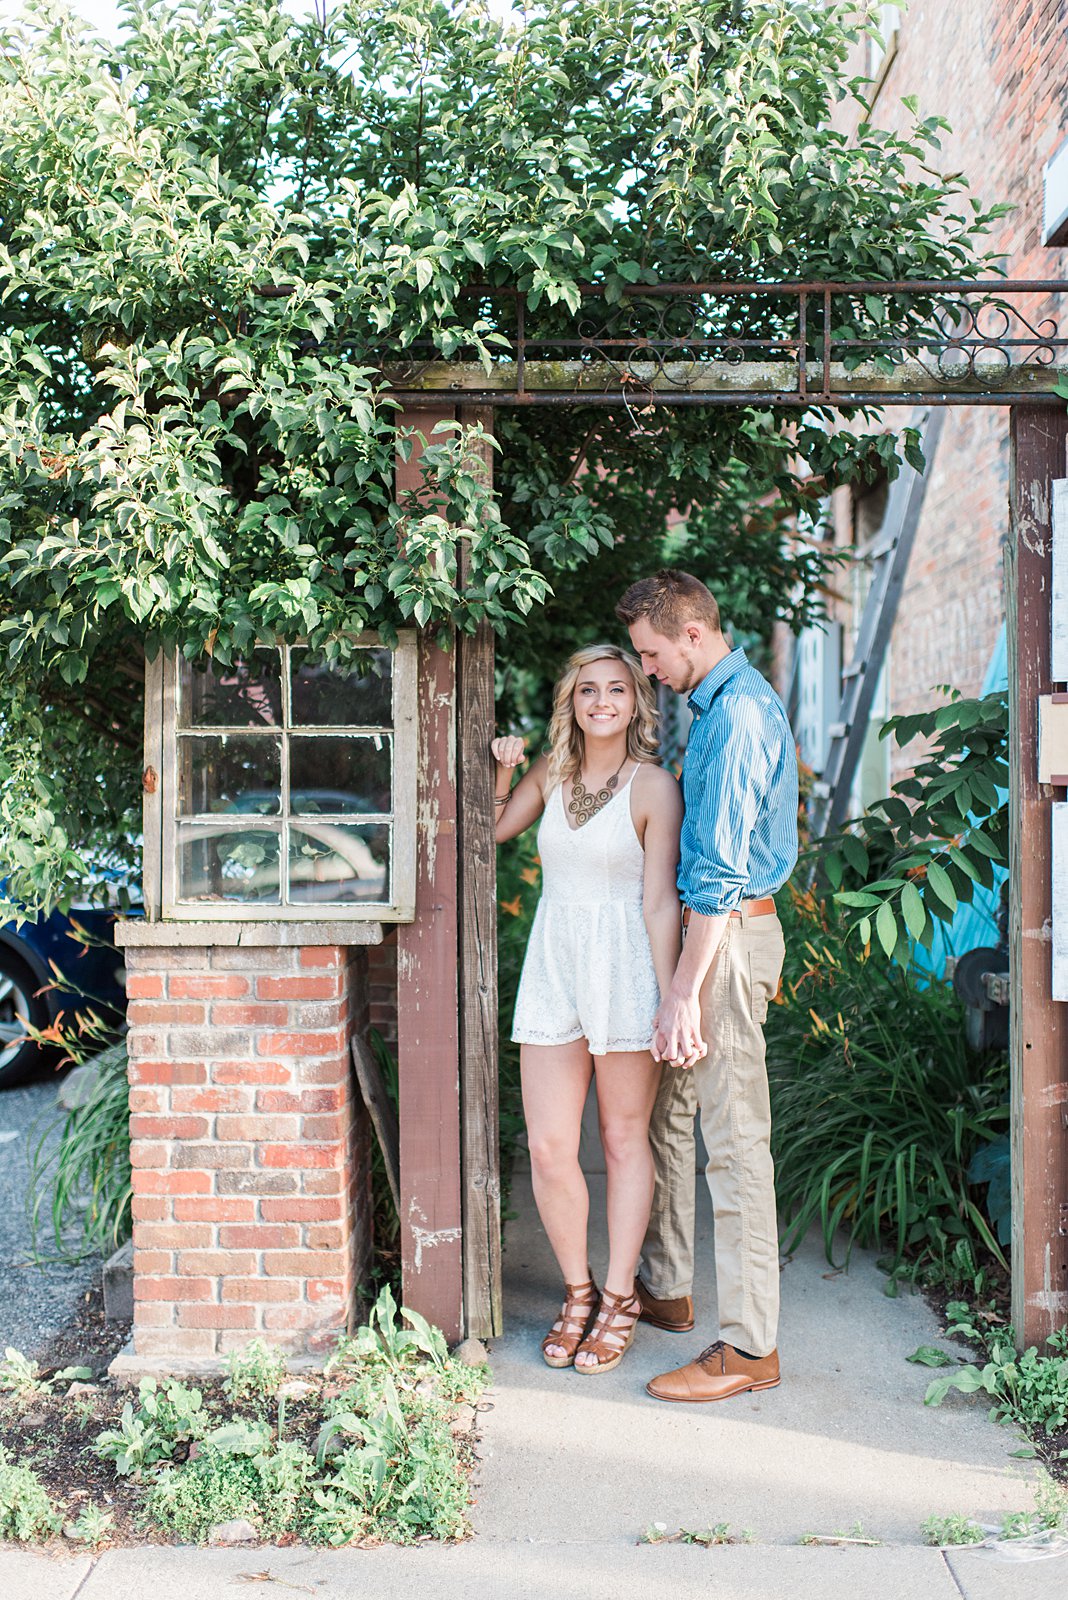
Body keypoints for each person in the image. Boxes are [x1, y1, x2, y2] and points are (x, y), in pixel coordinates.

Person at [615, 570, 799, 1404]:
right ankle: (670, 1286)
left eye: (651, 654)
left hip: (722, 940)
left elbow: (719, 874)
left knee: (734, 1142)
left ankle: (749, 1347)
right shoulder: (717, 706)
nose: (648, 670)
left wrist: (685, 989)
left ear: (692, 634)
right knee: (671, 1113)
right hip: (710, 940)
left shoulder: (739, 715)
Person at [492, 644, 683, 1374]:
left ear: (636, 702)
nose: (601, 702)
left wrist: (672, 999)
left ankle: (619, 1294)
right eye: (587, 691)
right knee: (547, 1145)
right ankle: (577, 1292)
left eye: (616, 690)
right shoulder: (552, 773)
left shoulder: (654, 788)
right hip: (555, 964)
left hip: (627, 968)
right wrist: (507, 766)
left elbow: (659, 900)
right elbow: (490, 832)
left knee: (622, 1139)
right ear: (571, 701)